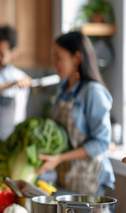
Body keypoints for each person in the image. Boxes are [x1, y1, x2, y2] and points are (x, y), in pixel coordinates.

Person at [37, 31, 115, 196]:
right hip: (66, 177)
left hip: (89, 179)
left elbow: (101, 142)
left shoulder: (93, 92)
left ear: (77, 58)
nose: (54, 63)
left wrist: (60, 158)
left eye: (58, 57)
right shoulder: (63, 88)